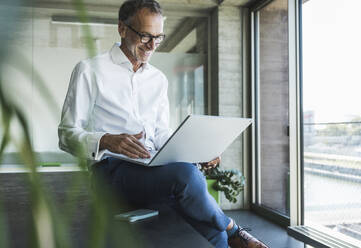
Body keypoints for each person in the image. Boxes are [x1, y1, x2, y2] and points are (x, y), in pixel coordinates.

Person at [58, 0, 269, 247]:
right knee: (187, 175)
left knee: (214, 235)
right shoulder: (89, 70)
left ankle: (226, 233)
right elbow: (66, 134)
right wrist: (106, 140)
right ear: (122, 29)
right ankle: (234, 228)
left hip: (154, 170)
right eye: (145, 35)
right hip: (111, 173)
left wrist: (195, 152)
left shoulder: (157, 80)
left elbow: (160, 133)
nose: (152, 45)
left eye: (158, 37)